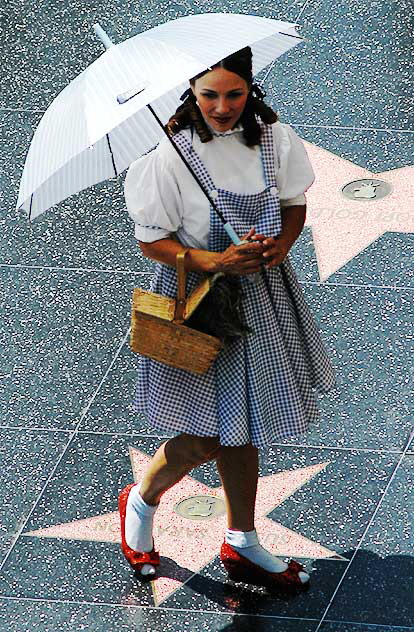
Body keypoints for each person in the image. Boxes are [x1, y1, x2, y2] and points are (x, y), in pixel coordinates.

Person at [119, 46, 336, 591]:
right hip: (203, 304)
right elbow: (153, 241)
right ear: (191, 93)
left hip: (261, 297)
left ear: (250, 89)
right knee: (205, 439)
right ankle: (142, 502)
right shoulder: (168, 155)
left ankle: (241, 539)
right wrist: (216, 260)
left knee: (246, 429)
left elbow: (293, 204)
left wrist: (282, 245)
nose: (222, 107)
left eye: (233, 94)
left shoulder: (275, 139)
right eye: (209, 95)